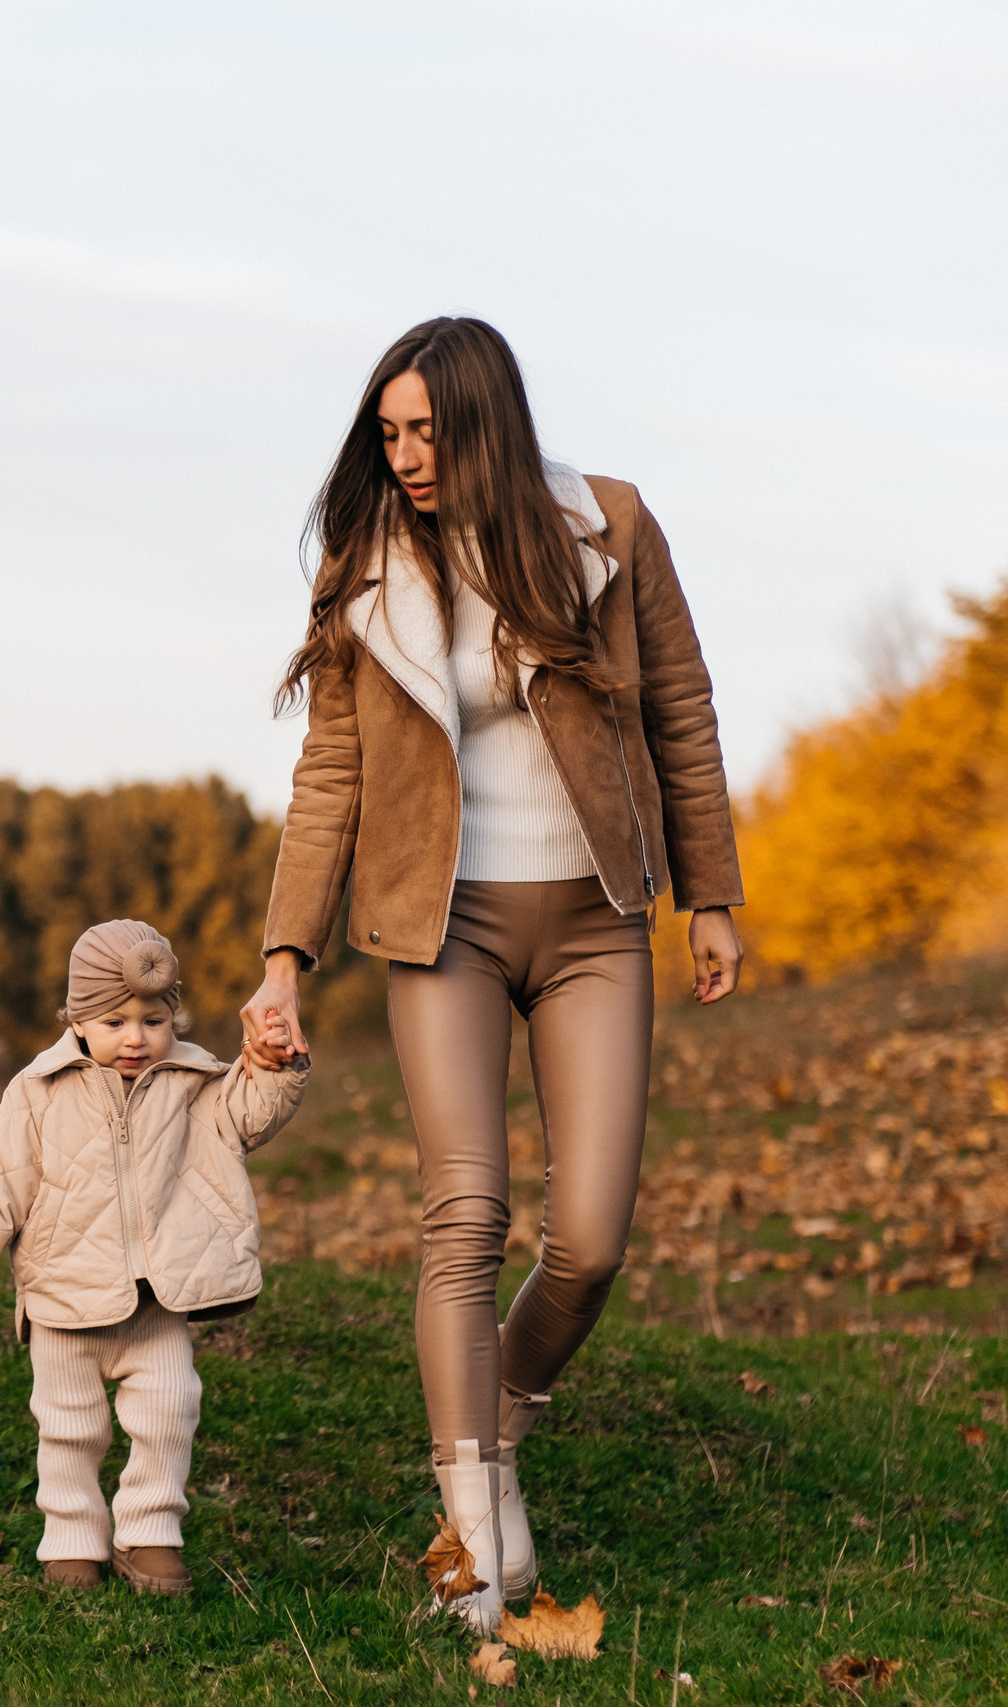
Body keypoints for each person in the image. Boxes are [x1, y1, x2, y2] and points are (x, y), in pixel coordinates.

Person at [241, 317, 745, 1635]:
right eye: (389, 432)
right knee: (462, 1214)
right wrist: (283, 956)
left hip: (594, 923)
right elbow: (332, 774)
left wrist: (713, 894)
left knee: (588, 1239)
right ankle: (464, 1545)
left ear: (489, 426)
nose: (406, 456)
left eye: (428, 431)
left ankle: (501, 1427)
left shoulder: (610, 526)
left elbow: (680, 709)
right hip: (441, 930)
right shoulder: (368, 570)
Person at [0, 919, 308, 1594]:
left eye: (154, 1019)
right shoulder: (36, 1092)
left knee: (169, 1411)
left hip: (159, 1296)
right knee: (70, 1429)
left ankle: (148, 1533)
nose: (136, 1037)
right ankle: (72, 1540)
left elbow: (251, 1112)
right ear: (75, 1018)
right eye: (115, 1020)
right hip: (65, 1300)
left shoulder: (195, 1083)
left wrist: (272, 1061)